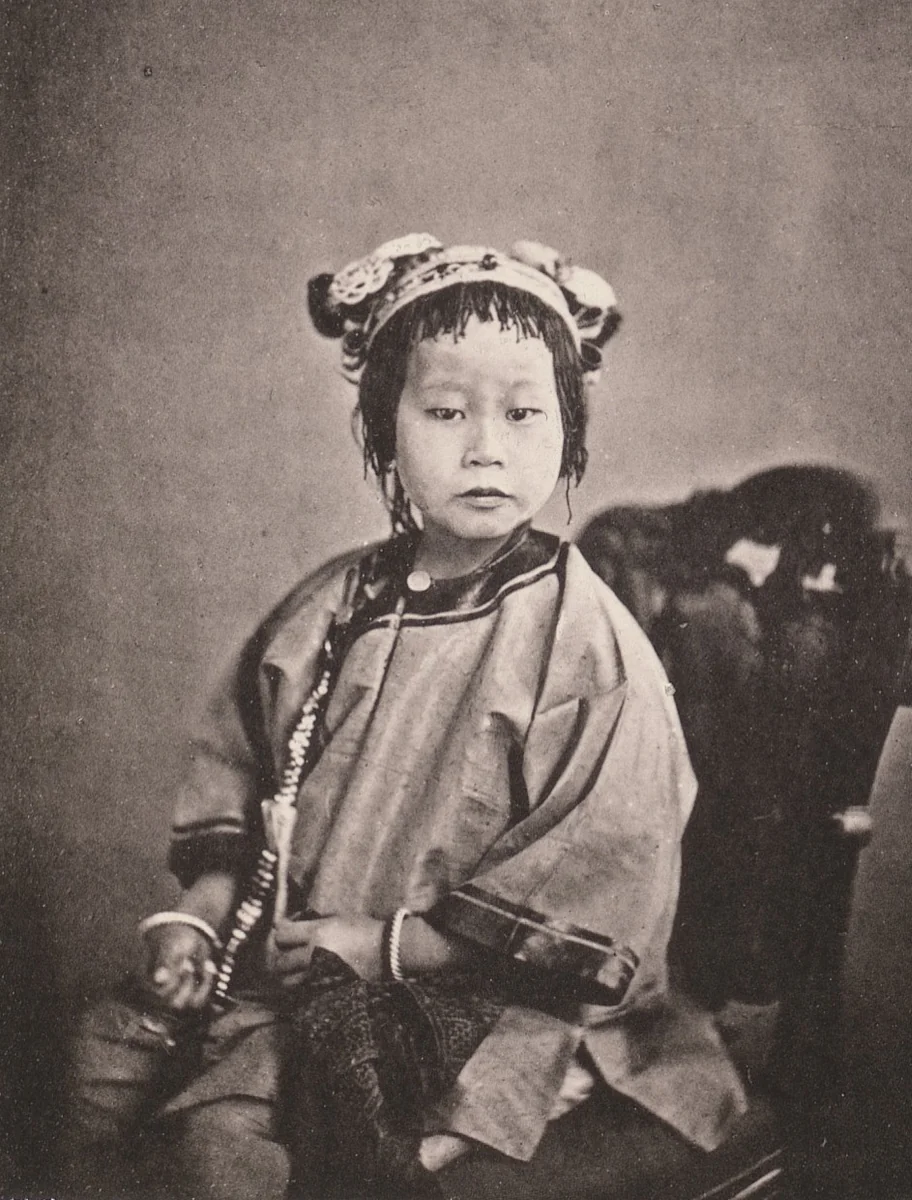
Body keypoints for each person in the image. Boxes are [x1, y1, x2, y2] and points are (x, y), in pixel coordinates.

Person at [61, 236, 746, 1199]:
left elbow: (601, 878)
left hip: (491, 1001)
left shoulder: (588, 646)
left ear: (568, 428)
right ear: (385, 429)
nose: (485, 447)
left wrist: (381, 945)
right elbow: (244, 770)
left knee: (286, 1147)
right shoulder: (330, 605)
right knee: (141, 1100)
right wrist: (201, 917)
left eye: (522, 413)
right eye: (444, 412)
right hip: (295, 978)